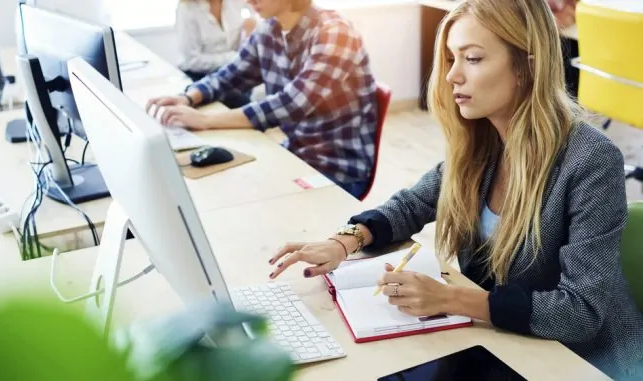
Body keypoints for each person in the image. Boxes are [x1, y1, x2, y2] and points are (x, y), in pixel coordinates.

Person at [267, 0, 643, 379]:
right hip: (503, 345)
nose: (451, 76)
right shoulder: (485, 141)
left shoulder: (591, 160)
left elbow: (580, 312)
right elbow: (412, 204)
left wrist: (452, 299)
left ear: (529, 65)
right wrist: (345, 240)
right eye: (451, 58)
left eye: (473, 58)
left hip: (579, 361)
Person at [147, 0, 378, 199]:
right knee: (223, 192)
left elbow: (292, 104)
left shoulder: (336, 33)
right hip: (295, 153)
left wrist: (206, 120)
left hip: (338, 169)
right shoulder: (270, 29)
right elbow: (232, 75)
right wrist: (187, 98)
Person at [175, 0, 256, 108]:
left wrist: (252, 22)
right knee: (244, 106)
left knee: (245, 105)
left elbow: (262, 10)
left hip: (234, 71)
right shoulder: (187, 9)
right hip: (199, 74)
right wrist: (235, 58)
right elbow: (191, 61)